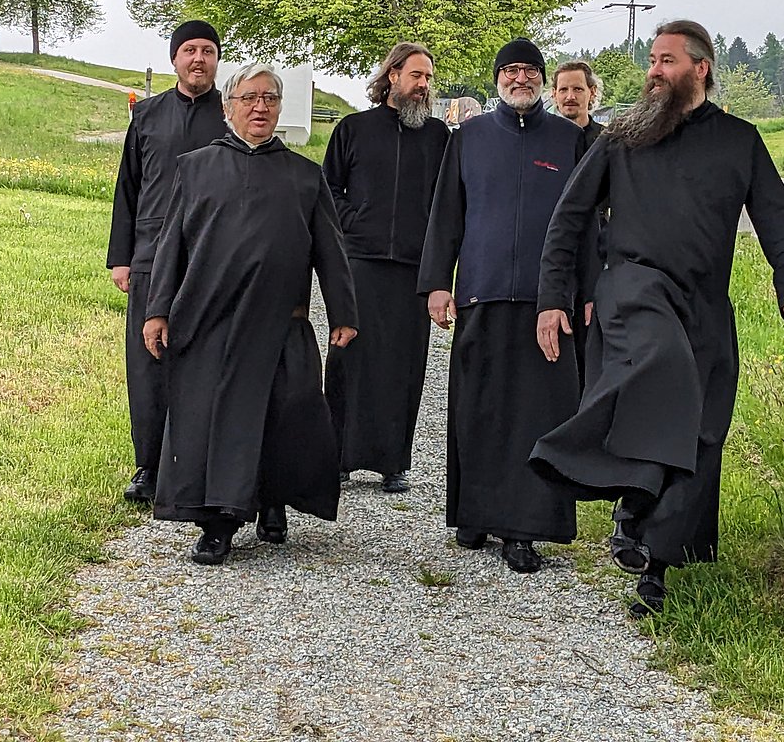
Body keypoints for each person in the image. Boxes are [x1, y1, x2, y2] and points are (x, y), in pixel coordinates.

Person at [530, 20, 784, 616]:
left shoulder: (739, 140)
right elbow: (569, 216)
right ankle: (628, 498)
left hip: (704, 302)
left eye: (665, 60)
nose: (653, 71)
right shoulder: (622, 136)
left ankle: (654, 565)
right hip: (634, 287)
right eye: (653, 60)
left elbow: (777, 217)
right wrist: (552, 297)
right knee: (666, 368)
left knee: (703, 427)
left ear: (699, 68)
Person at [142, 63, 359, 566]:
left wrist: (343, 312)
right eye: (249, 98)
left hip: (279, 321)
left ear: (280, 108)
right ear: (228, 107)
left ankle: (272, 502)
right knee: (213, 422)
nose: (260, 107)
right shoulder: (195, 168)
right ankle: (217, 524)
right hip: (209, 321)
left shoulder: (304, 176)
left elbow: (330, 249)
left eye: (270, 99)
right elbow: (171, 246)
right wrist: (157, 311)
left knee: (282, 414)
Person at [418, 38, 587, 574]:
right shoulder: (468, 138)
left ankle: (522, 528)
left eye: (530, 70)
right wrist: (437, 284)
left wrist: (585, 295)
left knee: (535, 415)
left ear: (542, 79)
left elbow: (586, 227)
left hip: (546, 303)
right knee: (479, 410)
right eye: (510, 70)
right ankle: (474, 514)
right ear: (497, 79)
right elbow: (447, 214)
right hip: (481, 292)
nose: (520, 79)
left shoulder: (569, 140)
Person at [106, 20, 227, 504]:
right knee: (148, 364)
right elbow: (128, 189)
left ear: (217, 60)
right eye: (190, 50)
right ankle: (149, 465)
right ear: (174, 58)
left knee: (206, 361)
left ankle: (200, 464)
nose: (199, 59)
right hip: (151, 255)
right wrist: (121, 259)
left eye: (208, 51)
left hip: (210, 255)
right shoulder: (147, 116)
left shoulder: (231, 114)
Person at [323, 42, 450, 494]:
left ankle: (393, 460)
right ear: (392, 75)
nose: (423, 85)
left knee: (404, 365)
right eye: (416, 75)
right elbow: (328, 190)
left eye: (428, 78)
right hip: (360, 262)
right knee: (348, 358)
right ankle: (338, 456)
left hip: (413, 268)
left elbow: (448, 201)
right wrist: (356, 221)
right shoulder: (353, 128)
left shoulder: (438, 137)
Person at [551, 60, 607, 387]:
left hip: (596, 257)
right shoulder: (546, 140)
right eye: (563, 90)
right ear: (554, 95)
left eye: (577, 89)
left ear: (592, 93)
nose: (570, 96)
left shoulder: (609, 142)